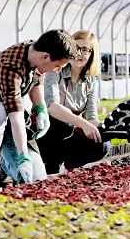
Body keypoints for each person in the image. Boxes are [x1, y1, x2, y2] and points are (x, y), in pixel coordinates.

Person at [0, 29, 77, 194]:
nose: (57, 71)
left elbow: (36, 82)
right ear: (45, 57)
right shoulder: (10, 66)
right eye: (57, 66)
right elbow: (16, 118)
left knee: (36, 180)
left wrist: (40, 108)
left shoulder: (34, 51)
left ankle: (3, 163)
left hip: (8, 125)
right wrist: (23, 157)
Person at [37, 29, 111, 174]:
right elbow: (52, 107)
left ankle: (70, 165)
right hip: (48, 131)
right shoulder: (55, 71)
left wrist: (107, 129)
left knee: (103, 145)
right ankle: (50, 164)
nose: (79, 53)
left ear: (91, 55)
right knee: (63, 124)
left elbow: (91, 116)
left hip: (70, 132)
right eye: (76, 47)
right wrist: (83, 124)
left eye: (85, 50)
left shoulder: (91, 82)